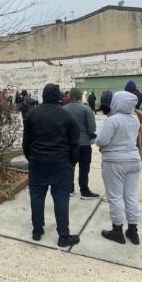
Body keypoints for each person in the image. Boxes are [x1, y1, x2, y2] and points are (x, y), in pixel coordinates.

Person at [22, 83, 81, 247]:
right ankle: (63, 235)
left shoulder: (32, 115)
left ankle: (37, 230)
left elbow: (26, 143)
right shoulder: (67, 116)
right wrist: (71, 163)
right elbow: (74, 144)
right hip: (61, 164)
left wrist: (31, 158)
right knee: (61, 199)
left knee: (37, 197)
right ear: (59, 97)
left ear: (43, 96)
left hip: (37, 163)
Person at [96, 91, 142, 244]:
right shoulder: (135, 118)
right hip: (133, 160)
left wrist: (97, 140)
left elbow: (102, 140)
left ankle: (117, 230)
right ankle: (133, 230)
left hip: (114, 161)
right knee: (131, 195)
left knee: (115, 196)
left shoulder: (113, 120)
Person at [63, 88, 100, 200]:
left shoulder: (64, 109)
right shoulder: (86, 109)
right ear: (80, 97)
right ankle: (84, 190)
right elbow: (92, 127)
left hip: (69, 143)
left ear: (70, 97)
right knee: (84, 168)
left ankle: (69, 189)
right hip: (84, 143)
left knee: (70, 167)